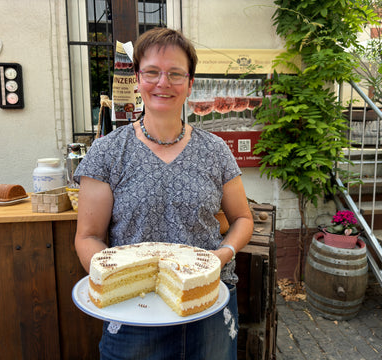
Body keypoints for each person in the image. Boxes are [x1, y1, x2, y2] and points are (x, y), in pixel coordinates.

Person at [73, 27, 254, 360]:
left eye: (175, 74)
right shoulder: (108, 152)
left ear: (190, 83)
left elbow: (242, 218)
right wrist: (111, 283)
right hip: (132, 306)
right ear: (138, 79)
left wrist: (222, 255)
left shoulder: (215, 150)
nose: (163, 83)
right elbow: (88, 237)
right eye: (152, 72)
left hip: (209, 299)